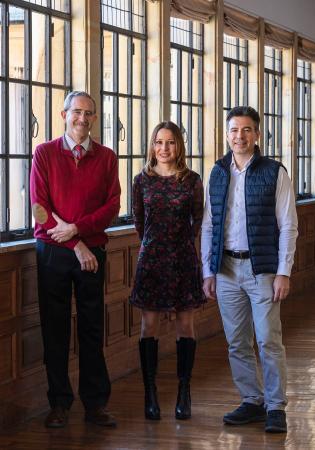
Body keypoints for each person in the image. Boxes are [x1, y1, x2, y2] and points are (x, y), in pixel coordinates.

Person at [201, 106, 298, 433]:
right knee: (237, 341)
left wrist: (284, 271)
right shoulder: (217, 172)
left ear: (257, 134)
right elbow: (208, 226)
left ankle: (275, 407)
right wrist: (208, 271)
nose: (239, 136)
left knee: (269, 339)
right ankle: (251, 401)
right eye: (233, 130)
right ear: (227, 134)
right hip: (226, 269)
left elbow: (288, 226)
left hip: (263, 271)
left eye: (246, 130)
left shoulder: (274, 172)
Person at [30, 91, 121, 428]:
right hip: (54, 253)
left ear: (95, 118)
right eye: (77, 111)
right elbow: (40, 208)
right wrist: (75, 244)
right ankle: (59, 404)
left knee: (92, 329)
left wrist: (78, 231)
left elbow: (112, 206)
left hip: (92, 253)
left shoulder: (107, 157)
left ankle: (95, 405)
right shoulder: (44, 153)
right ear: (63, 114)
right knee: (55, 329)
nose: (83, 118)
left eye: (89, 113)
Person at [130, 121, 206, 421]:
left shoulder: (192, 180)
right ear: (152, 146)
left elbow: (198, 222)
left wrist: (178, 246)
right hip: (151, 261)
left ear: (180, 146)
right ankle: (150, 394)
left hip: (183, 260)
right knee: (149, 328)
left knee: (185, 327)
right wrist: (155, 244)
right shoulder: (142, 181)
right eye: (159, 142)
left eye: (171, 142)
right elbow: (139, 222)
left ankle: (183, 393)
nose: (164, 148)